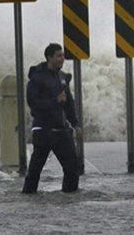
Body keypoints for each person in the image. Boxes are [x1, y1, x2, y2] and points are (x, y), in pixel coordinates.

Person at [21, 43, 81, 194]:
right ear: (49, 57)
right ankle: (28, 197)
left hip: (62, 131)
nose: (62, 59)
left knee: (73, 167)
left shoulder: (62, 77)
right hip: (43, 130)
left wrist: (75, 124)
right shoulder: (37, 77)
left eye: (63, 56)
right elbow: (33, 103)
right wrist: (55, 100)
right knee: (35, 170)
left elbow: (69, 104)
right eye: (58, 56)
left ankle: (69, 197)